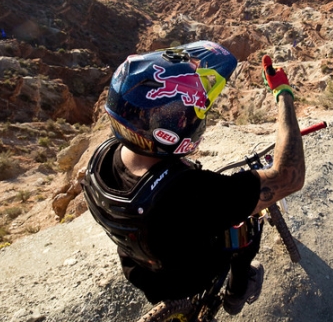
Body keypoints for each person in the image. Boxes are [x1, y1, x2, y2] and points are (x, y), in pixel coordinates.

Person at [81, 41, 305, 316]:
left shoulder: (103, 158)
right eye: (196, 114)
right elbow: (289, 176)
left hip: (142, 270)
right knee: (248, 228)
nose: (199, 119)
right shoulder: (192, 194)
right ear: (169, 129)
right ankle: (236, 294)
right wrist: (283, 94)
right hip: (185, 277)